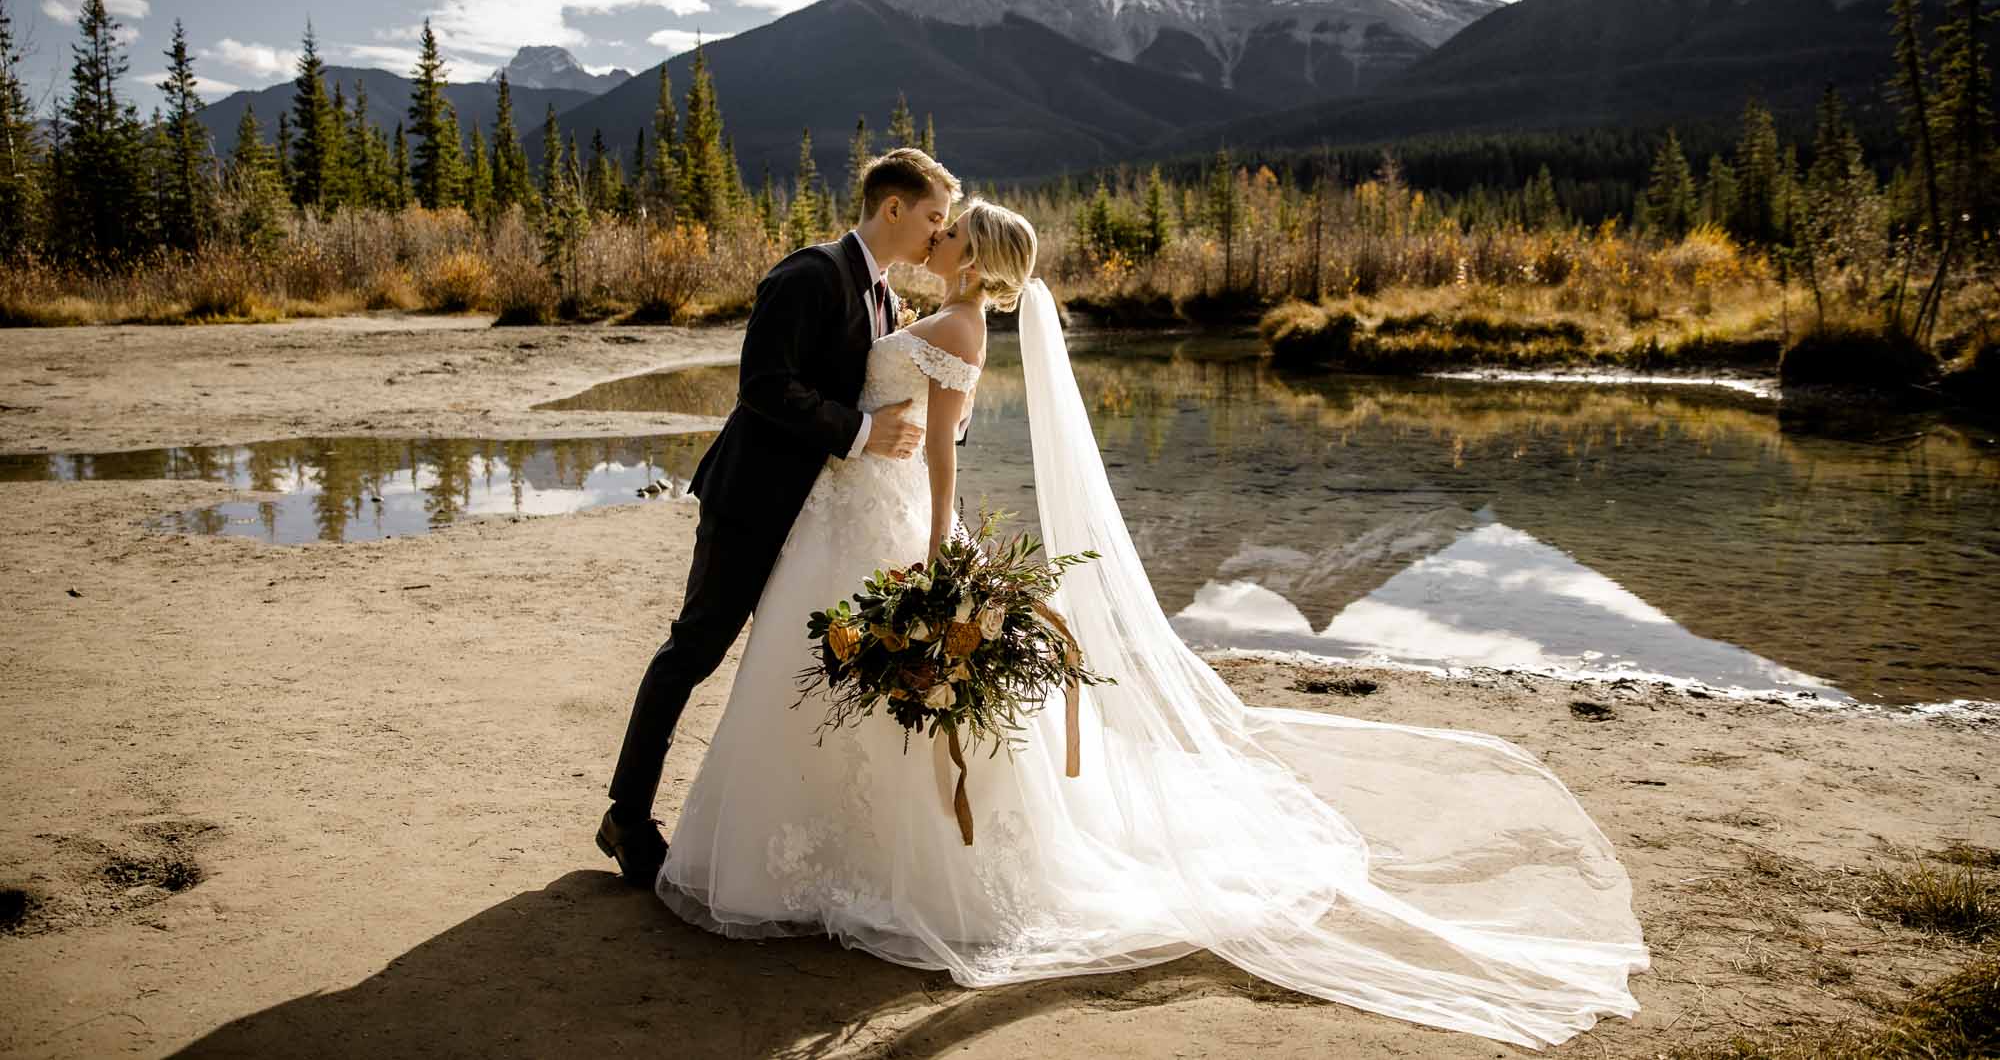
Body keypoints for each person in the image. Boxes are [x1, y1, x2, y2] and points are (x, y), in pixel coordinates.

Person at [654, 199, 1648, 1050]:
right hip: (848, 514)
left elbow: (944, 460)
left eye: (954, 230)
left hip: (891, 519)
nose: (942, 233)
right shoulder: (937, 311)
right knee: (826, 684)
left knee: (867, 695)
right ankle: (828, 853)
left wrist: (932, 547)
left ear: (975, 258)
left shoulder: (956, 331)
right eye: (939, 221)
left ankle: (875, 866)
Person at [598, 147, 960, 886]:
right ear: (892, 207)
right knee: (694, 650)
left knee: (807, 672)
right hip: (754, 503)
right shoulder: (809, 274)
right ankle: (626, 816)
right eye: (932, 217)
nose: (937, 233)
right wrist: (863, 434)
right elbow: (763, 384)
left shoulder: (888, 299)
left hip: (823, 525)